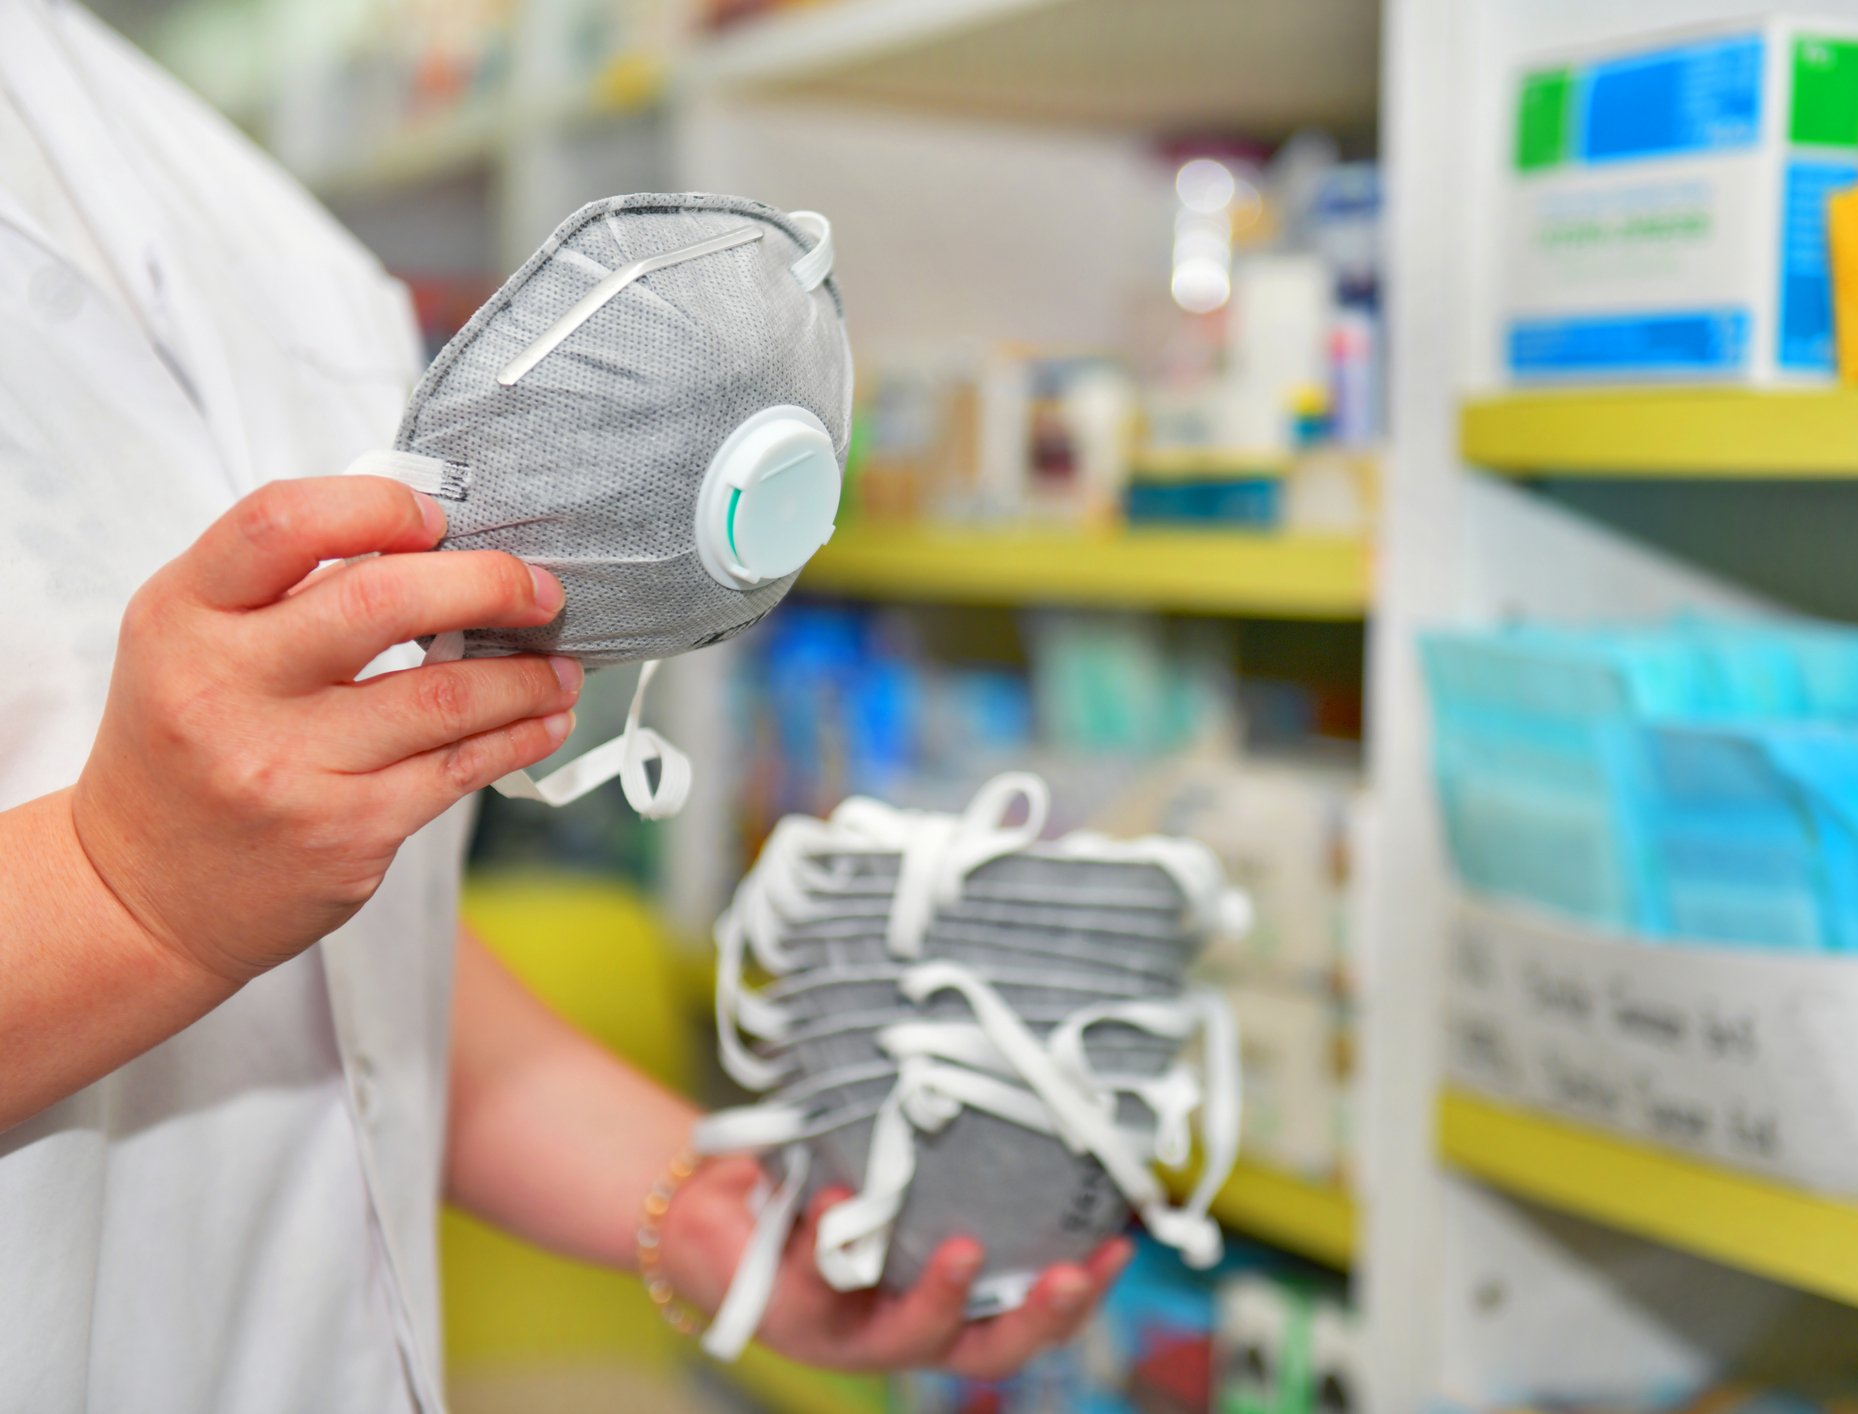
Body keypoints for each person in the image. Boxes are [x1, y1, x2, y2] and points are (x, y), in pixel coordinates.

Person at [0, 2, 1128, 1409]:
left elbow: (330, 972)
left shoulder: (162, 155)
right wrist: (129, 890)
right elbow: (183, 896)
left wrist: (711, 1211)